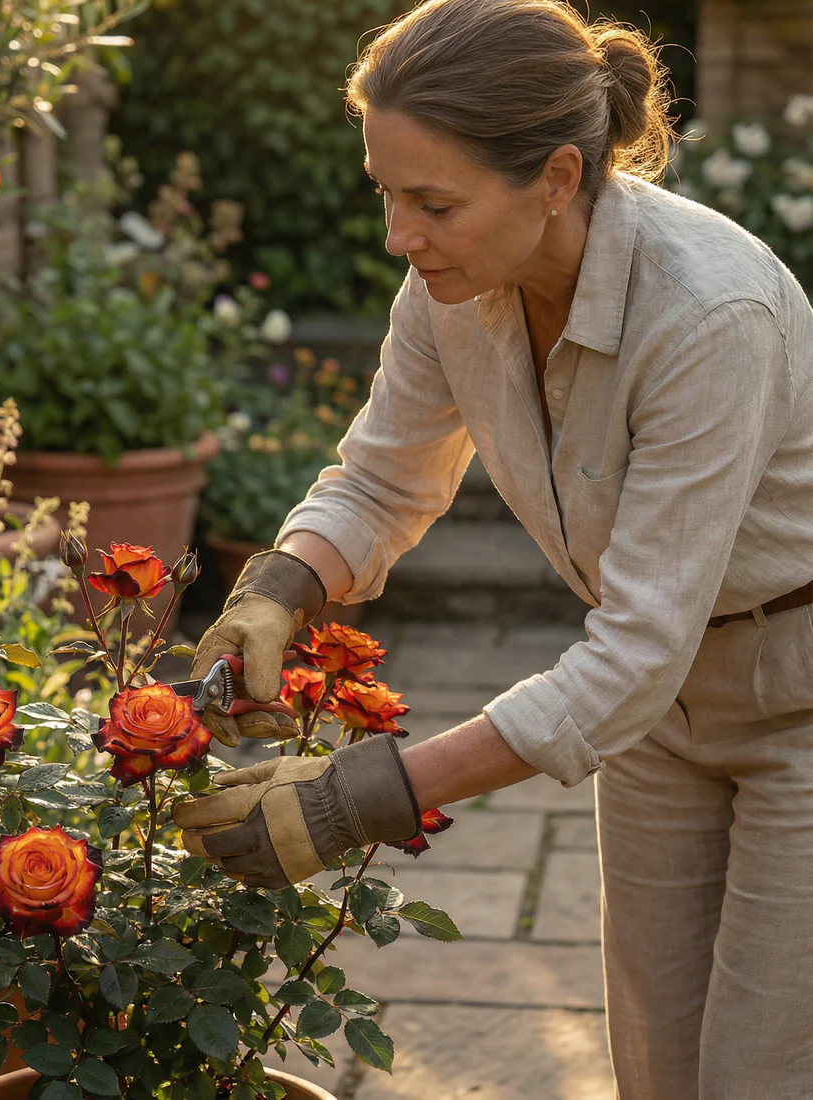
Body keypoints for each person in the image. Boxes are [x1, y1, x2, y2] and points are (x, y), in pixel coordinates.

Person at [173, 0, 813, 1095]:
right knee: (657, 1065)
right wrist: (274, 591)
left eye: (433, 202)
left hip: (797, 697)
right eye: (386, 194)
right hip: (658, 715)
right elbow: (384, 477)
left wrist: (349, 801)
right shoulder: (452, 286)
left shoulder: (710, 315)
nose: (398, 235)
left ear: (557, 179)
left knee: (759, 1071)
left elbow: (630, 652)